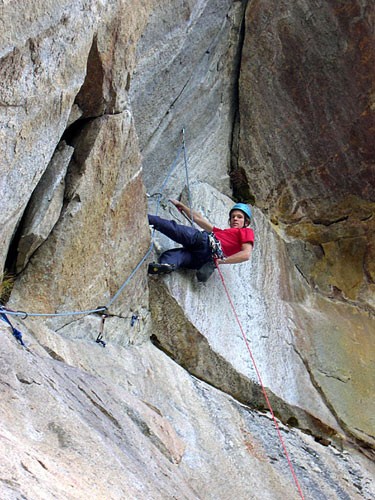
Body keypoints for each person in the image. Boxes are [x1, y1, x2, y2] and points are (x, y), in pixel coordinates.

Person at [148, 200, 254, 282]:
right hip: (203, 260)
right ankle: (166, 265)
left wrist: (221, 261)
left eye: (239, 217)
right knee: (177, 255)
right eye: (233, 217)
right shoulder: (221, 232)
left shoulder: (246, 231)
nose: (235, 219)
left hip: (205, 242)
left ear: (246, 222)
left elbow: (246, 254)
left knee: (174, 229)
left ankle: (149, 219)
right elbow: (199, 219)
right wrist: (183, 207)